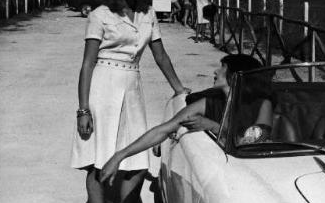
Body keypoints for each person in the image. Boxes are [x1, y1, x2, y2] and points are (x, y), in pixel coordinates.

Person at [71, 0, 189, 203]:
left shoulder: (148, 13)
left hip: (132, 88)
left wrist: (179, 88)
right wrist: (83, 109)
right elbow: (88, 63)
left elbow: (160, 55)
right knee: (97, 161)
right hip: (103, 88)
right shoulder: (100, 14)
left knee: (138, 161)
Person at [99, 54, 273, 186]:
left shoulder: (261, 104)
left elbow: (251, 143)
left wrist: (214, 126)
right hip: (218, 176)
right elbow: (163, 129)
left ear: (234, 75)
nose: (216, 71)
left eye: (222, 67)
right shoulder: (208, 103)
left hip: (253, 175)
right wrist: (119, 156)